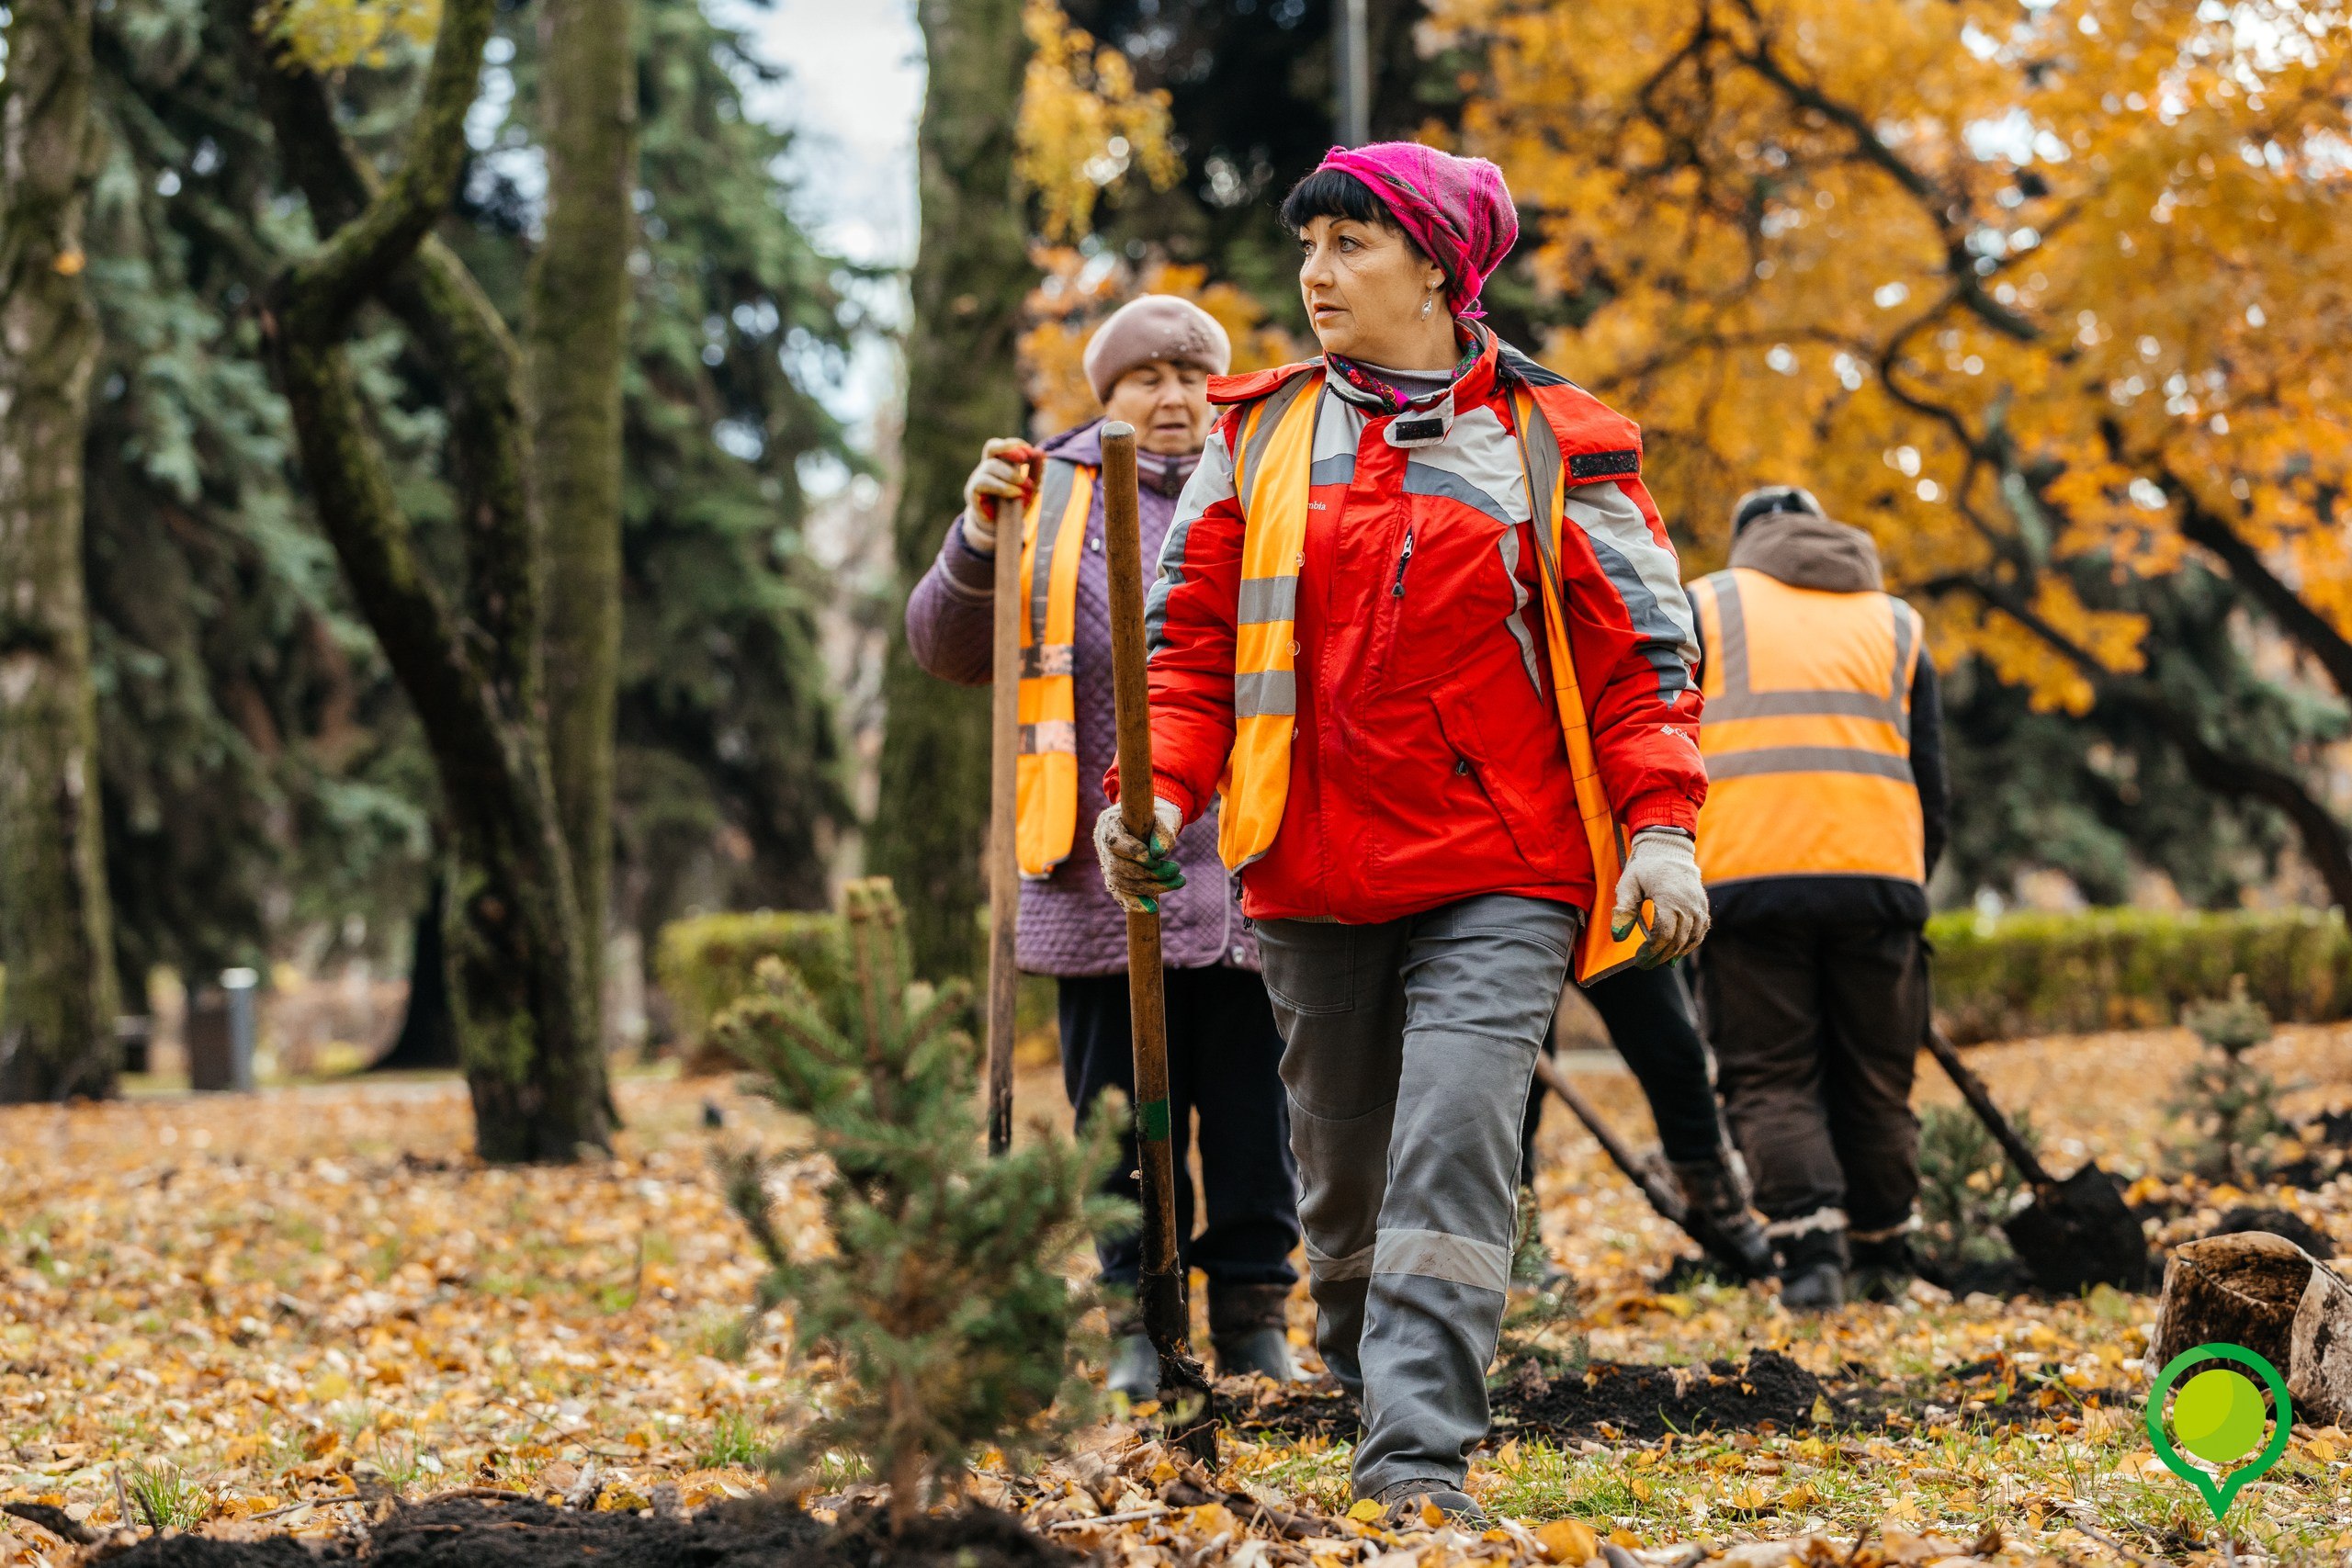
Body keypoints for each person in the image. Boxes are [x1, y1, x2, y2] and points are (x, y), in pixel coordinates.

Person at [1094, 143, 1711, 1525]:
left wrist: (1662, 828)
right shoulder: (1257, 435)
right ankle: (1365, 1363)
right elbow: (1185, 650)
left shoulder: (1561, 440)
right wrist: (1158, 796)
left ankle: (1418, 1456)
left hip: (1504, 865)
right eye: (1307, 249)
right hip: (1307, 865)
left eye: (1349, 247)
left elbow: (1645, 660)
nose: (1315, 275)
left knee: (1454, 1136)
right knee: (1347, 1175)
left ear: (1438, 265)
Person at [904, 295, 1302, 1395]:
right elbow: (945, 647)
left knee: (1255, 1115)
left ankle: (1255, 1316)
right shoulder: (1041, 495)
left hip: (1249, 859)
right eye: (1145, 380)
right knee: (1120, 1120)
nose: (1172, 399)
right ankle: (1136, 1319)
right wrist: (978, 538)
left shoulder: (1272, 476)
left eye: (1191, 375)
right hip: (1091, 874)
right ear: (1107, 394)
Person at [1684, 486, 1951, 1311]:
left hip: (1747, 881)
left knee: (1770, 1075)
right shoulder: (1898, 623)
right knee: (1877, 1076)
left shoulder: (1706, 605)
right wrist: (1907, 874)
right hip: (1877, 881)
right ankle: (1884, 1253)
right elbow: (1930, 779)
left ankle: (1811, 1259)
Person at [1514, 966, 1773, 1283]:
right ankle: (1517, 1247)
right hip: (1518, 921)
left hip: (1612, 923)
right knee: (1517, 1083)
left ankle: (1725, 1223)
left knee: (1672, 1049)